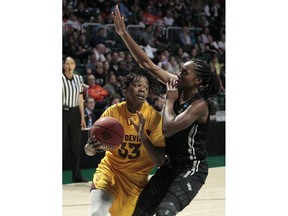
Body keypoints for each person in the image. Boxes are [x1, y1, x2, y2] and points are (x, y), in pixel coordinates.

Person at [112, 5, 220, 215]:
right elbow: (146, 63)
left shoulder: (199, 105)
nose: (178, 74)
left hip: (192, 168)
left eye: (184, 72)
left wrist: (169, 102)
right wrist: (123, 34)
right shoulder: (176, 85)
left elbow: (168, 128)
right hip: (170, 165)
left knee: (165, 212)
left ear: (197, 80)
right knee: (140, 212)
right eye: (180, 70)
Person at [84, 67, 166, 216]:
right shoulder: (112, 113)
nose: (142, 89)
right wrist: (90, 147)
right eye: (137, 85)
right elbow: (88, 151)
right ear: (126, 88)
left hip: (136, 182)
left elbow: (160, 161)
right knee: (97, 213)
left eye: (146, 87)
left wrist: (143, 138)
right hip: (111, 171)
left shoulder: (154, 118)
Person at [62, 56, 88, 183]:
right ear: (63, 66)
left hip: (75, 112)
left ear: (75, 66)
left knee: (76, 145)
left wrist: (82, 116)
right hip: (62, 112)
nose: (69, 65)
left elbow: (80, 98)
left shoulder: (79, 78)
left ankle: (76, 174)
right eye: (67, 63)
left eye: (72, 63)